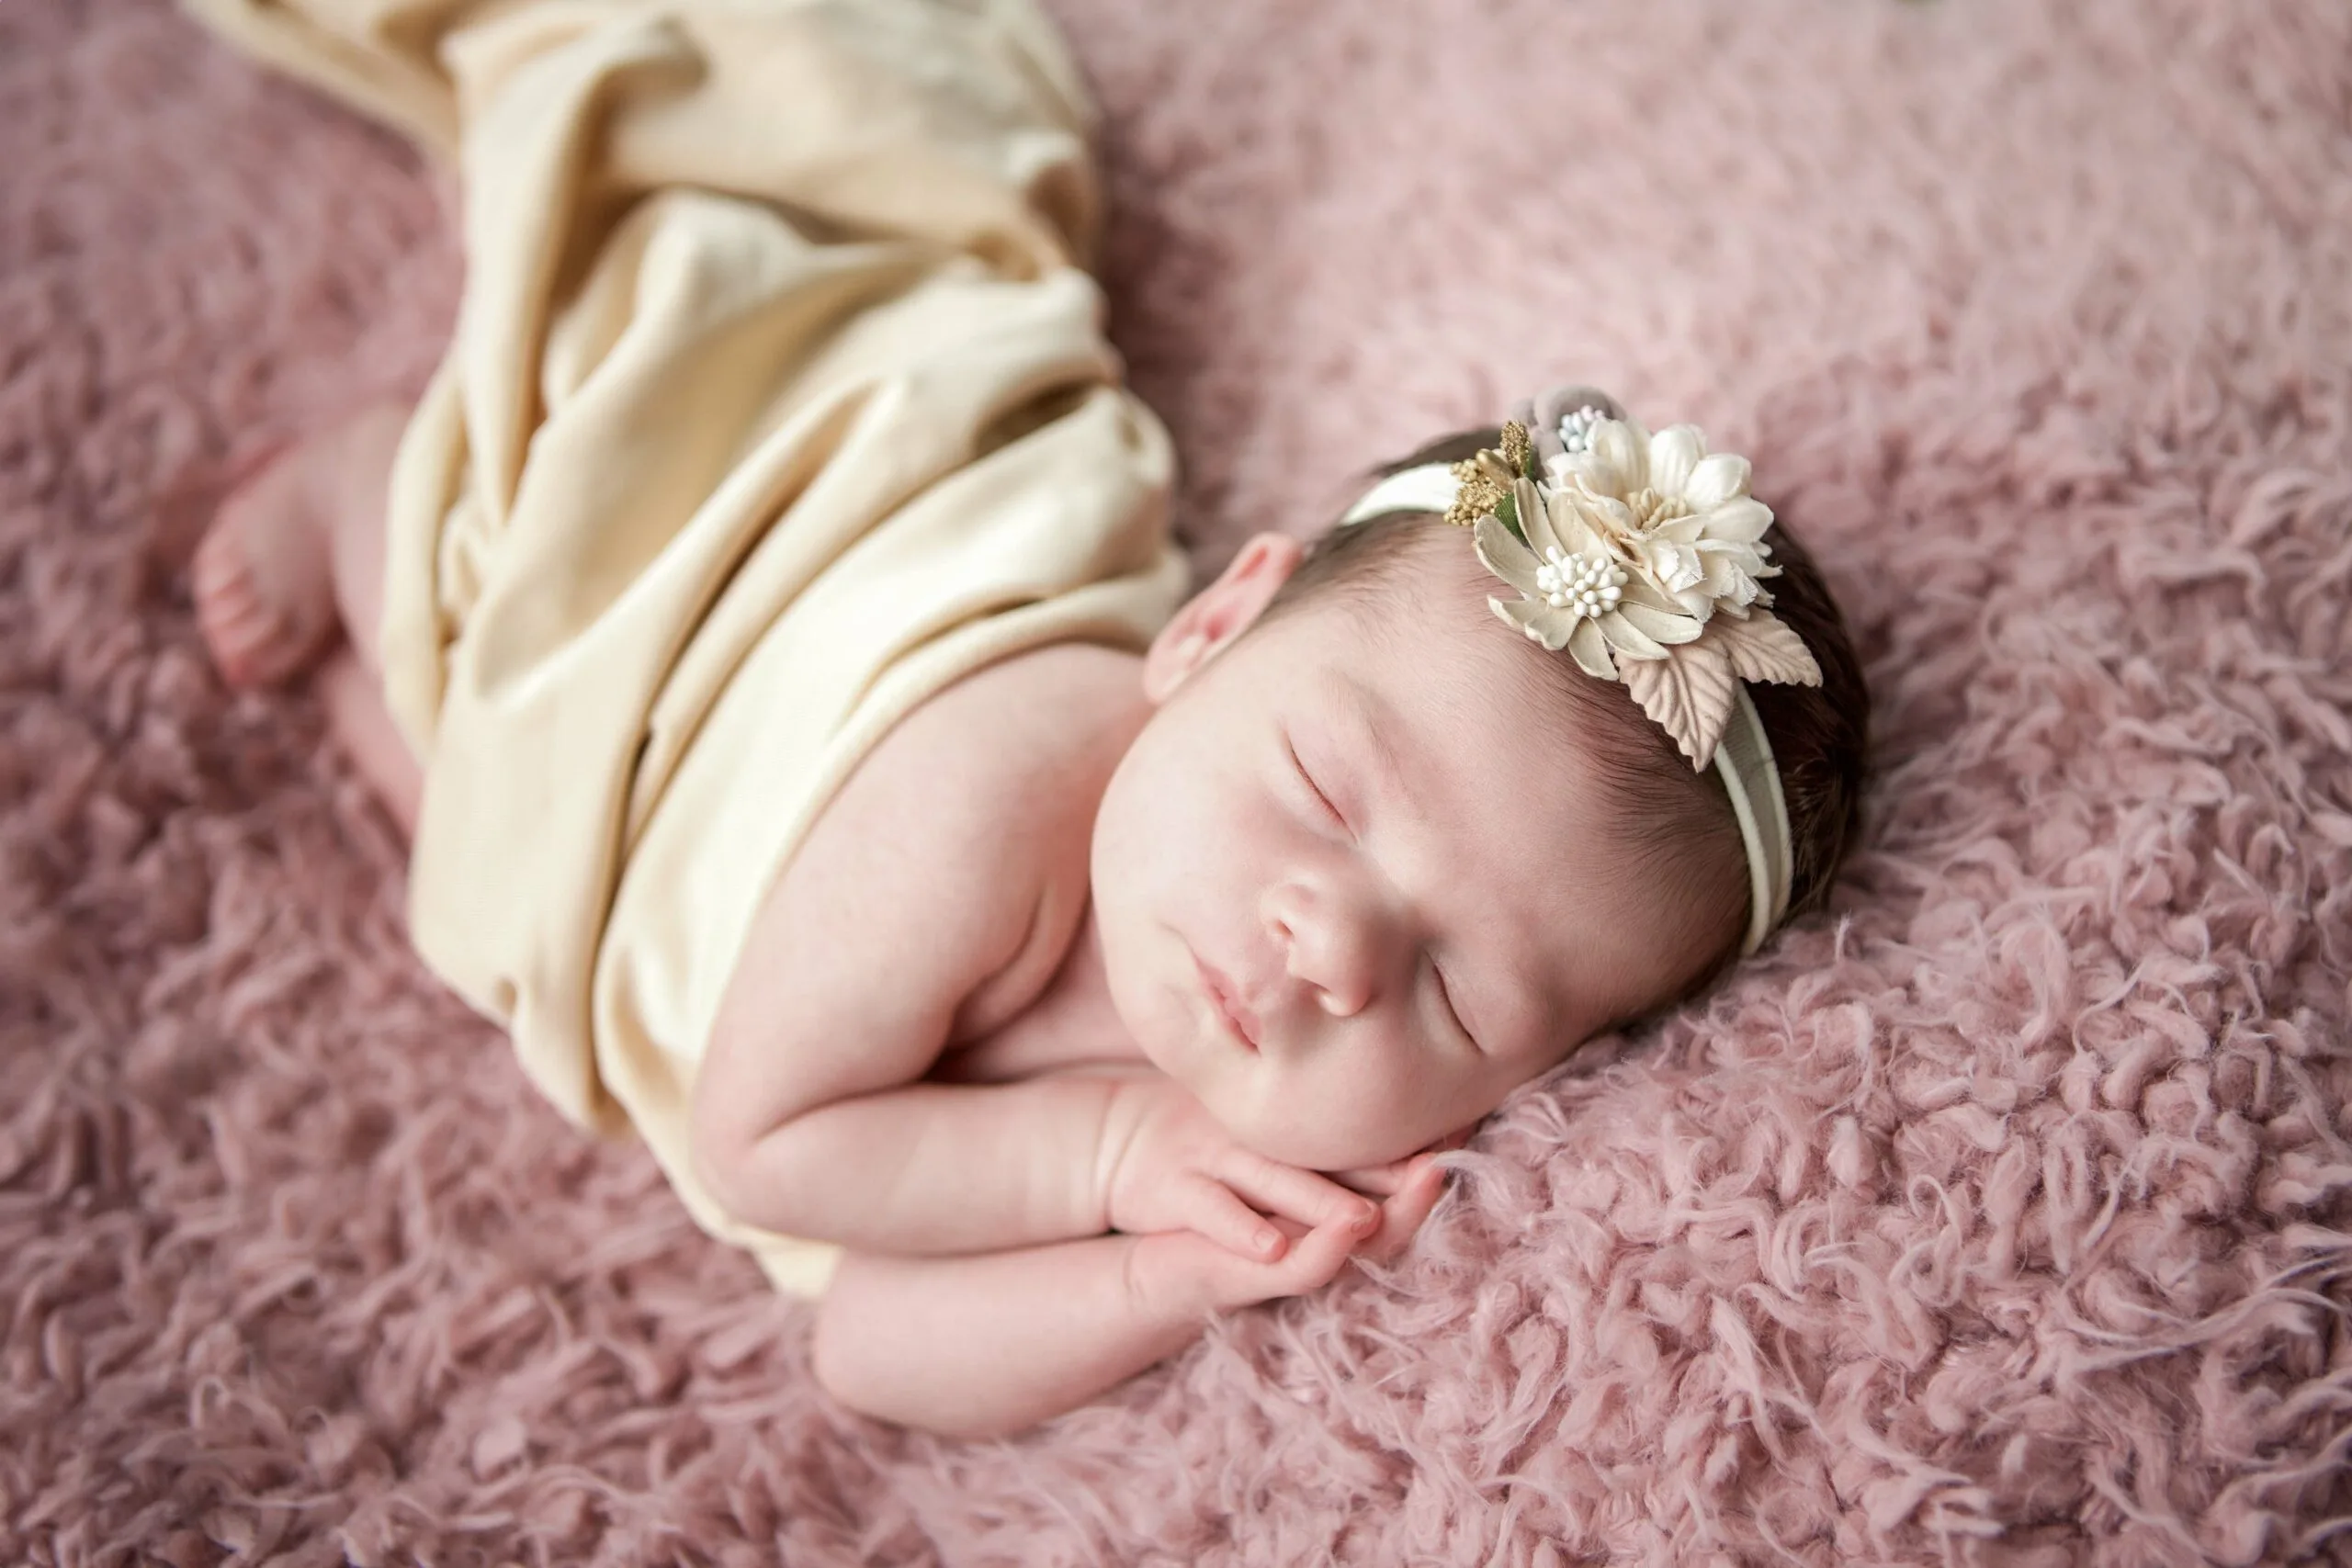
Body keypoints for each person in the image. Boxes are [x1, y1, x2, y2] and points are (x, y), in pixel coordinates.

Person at [186, 0, 1868, 1438]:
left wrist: (1162, 1272)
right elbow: (765, 1150)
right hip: (686, 644)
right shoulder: (1001, 786)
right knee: (543, 563)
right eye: (1325, 787)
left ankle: (376, 668)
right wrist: (1114, 1153)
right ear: (1211, 632)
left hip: (664, 959)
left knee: (495, 892)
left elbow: (862, 1337)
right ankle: (380, 501)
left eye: (1457, 989)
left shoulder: (1270, 1106)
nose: (1335, 947)